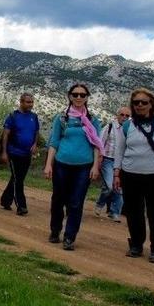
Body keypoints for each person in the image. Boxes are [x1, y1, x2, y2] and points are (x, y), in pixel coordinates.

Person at [114, 88, 154, 264]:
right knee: (134, 212)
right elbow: (120, 150)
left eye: (144, 102)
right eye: (136, 102)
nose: (140, 105)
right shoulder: (127, 125)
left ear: (151, 104)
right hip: (130, 174)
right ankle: (136, 244)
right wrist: (117, 173)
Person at [44, 83, 102, 251]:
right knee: (58, 200)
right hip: (62, 164)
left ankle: (69, 237)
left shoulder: (92, 120)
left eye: (82, 95)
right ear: (69, 96)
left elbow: (97, 144)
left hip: (84, 166)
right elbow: (54, 142)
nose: (78, 97)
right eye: (75, 94)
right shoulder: (61, 118)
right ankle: (55, 230)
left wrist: (95, 166)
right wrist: (49, 164)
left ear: (86, 97)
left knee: (76, 203)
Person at [0, 93, 40, 216]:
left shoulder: (34, 116)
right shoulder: (12, 116)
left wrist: (35, 144)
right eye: (28, 102)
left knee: (18, 178)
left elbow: (36, 131)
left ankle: (5, 200)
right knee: (18, 180)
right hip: (13, 152)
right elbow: (5, 135)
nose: (31, 105)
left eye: (32, 102)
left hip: (26, 154)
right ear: (21, 102)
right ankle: (21, 206)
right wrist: (4, 152)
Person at [94, 107, 131, 222]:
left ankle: (114, 212)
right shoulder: (109, 127)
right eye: (122, 114)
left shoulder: (130, 130)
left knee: (119, 188)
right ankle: (100, 204)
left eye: (127, 116)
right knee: (109, 186)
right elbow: (100, 143)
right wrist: (98, 159)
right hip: (108, 160)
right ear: (117, 115)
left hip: (122, 163)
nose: (124, 117)